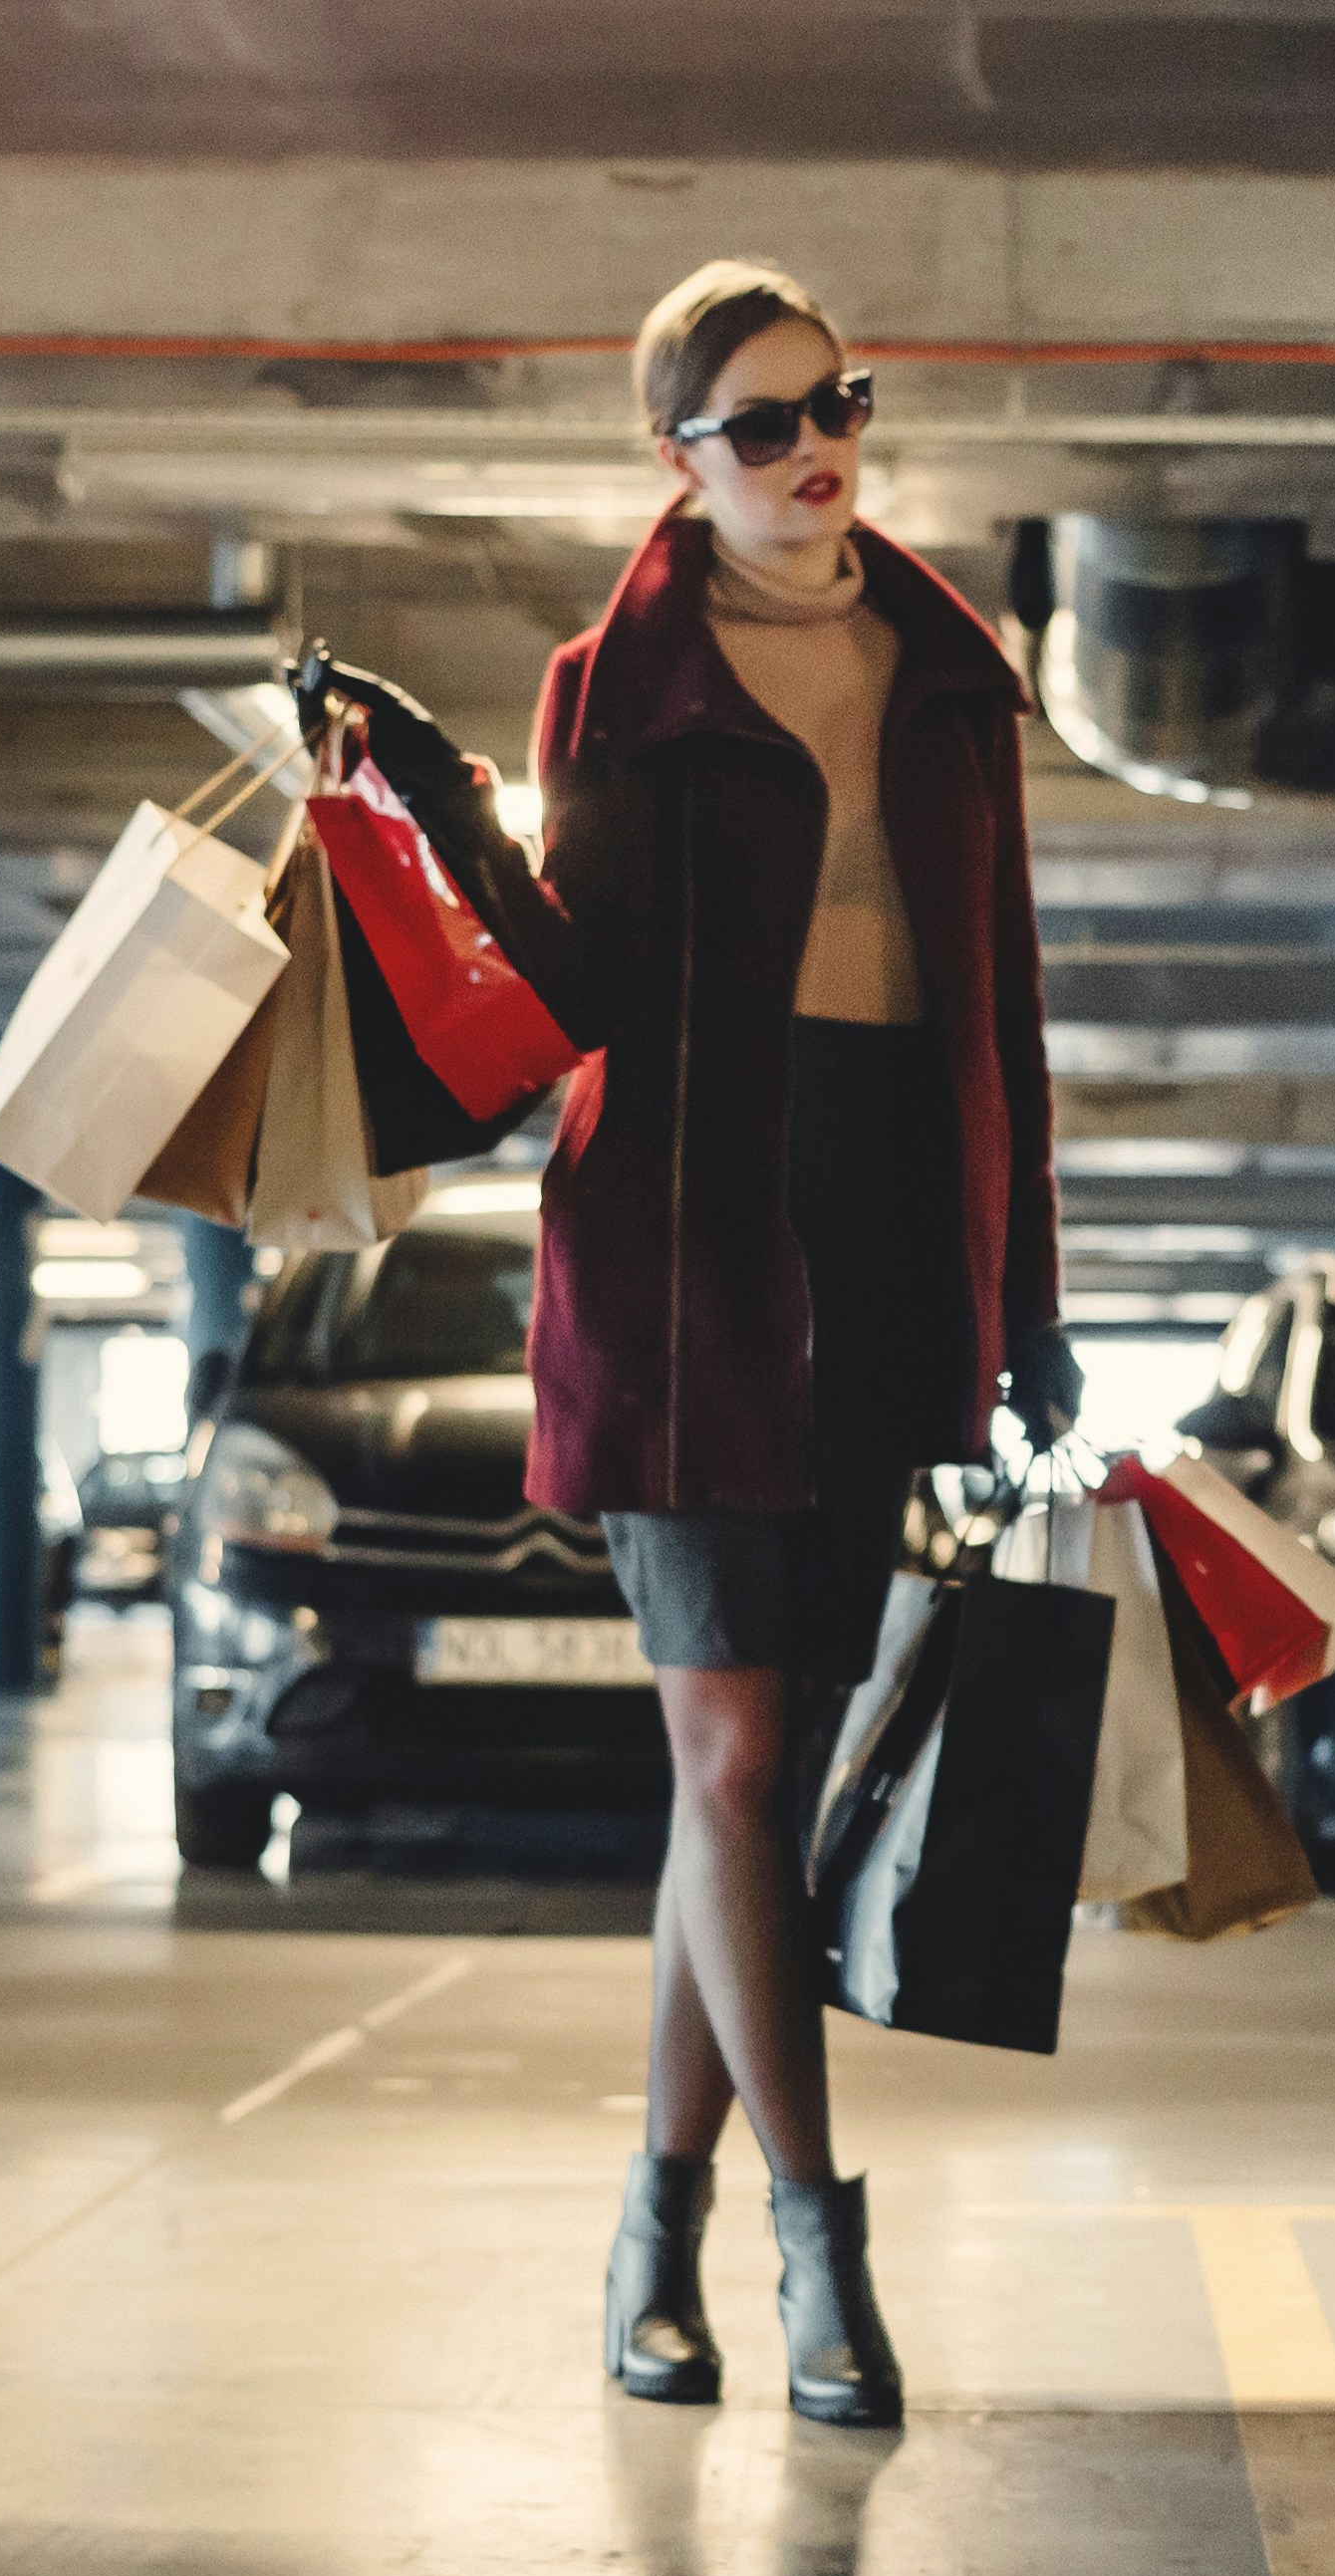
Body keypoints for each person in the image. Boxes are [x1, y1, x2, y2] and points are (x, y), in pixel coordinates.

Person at [308, 258, 1073, 2430]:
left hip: (890, 1233)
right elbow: (569, 977)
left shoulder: (946, 670)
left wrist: (1031, 1297)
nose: (811, 445)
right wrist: (437, 805)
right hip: (678, 1242)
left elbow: (1002, 1003)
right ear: (679, 460)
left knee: (752, 1780)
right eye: (757, 424)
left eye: (832, 402)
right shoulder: (612, 685)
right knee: (733, 1766)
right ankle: (818, 2249)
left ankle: (648, 2222)